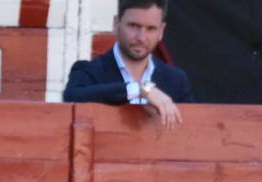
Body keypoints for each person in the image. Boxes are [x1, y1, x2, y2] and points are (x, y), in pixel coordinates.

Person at [63, 0, 192, 129]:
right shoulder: (89, 70)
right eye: (134, 26)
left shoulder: (176, 80)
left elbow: (193, 130)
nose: (141, 37)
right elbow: (72, 96)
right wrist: (138, 90)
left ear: (161, 31)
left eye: (151, 28)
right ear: (116, 23)